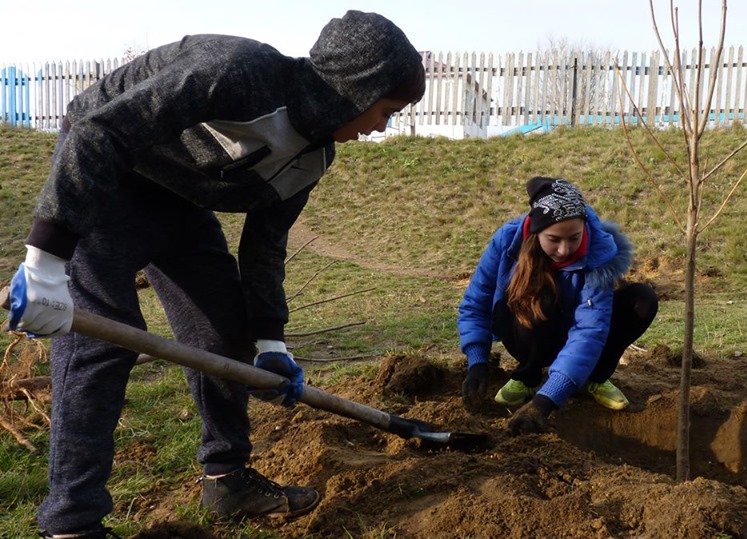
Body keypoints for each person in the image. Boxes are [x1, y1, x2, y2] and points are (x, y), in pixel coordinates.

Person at [5, 10, 425, 539]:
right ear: (354, 88)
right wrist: (46, 261)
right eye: (385, 109)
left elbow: (266, 248)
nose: (382, 127)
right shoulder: (234, 71)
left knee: (224, 332)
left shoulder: (313, 158)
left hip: (182, 199)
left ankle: (227, 479)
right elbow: (99, 129)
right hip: (110, 175)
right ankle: (72, 521)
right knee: (100, 342)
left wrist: (272, 340)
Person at [458, 177, 658, 435]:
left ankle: (591, 378)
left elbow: (589, 329)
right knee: (541, 295)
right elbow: (476, 303)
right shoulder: (507, 241)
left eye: (574, 238)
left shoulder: (597, 253)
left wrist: (545, 402)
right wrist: (477, 363)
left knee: (642, 299)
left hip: (573, 332)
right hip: (527, 332)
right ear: (536, 230)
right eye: (554, 239)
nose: (564, 250)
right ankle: (528, 376)